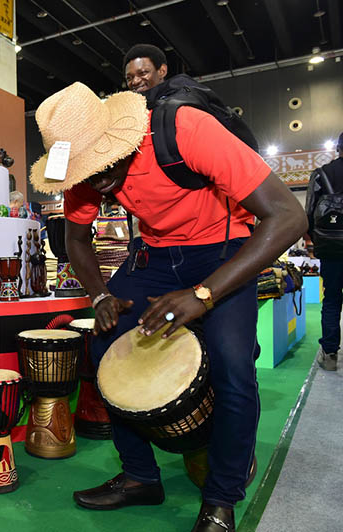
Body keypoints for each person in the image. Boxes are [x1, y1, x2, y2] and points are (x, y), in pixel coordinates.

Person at [29, 82, 306, 531]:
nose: (96, 180)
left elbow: (290, 216)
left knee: (232, 364)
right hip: (154, 256)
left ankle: (221, 498)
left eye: (102, 162)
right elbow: (77, 240)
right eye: (84, 170)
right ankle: (140, 475)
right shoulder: (83, 174)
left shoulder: (185, 130)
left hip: (224, 248)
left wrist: (203, 294)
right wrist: (100, 294)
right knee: (103, 350)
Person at [304, 132, 343, 371]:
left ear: (338, 148)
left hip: (331, 247)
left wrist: (311, 242)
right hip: (330, 249)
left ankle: (329, 355)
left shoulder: (321, 174)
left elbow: (308, 213)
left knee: (331, 300)